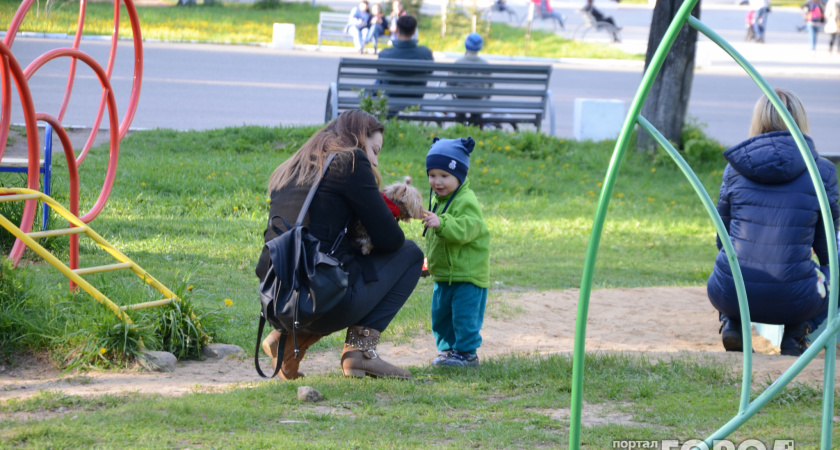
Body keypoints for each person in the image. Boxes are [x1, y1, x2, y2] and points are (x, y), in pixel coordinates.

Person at [256, 110, 424, 379]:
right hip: (321, 298)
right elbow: (390, 239)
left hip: (277, 300)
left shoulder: (291, 167)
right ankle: (360, 353)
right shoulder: (351, 161)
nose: (376, 161)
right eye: (374, 150)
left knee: (336, 264)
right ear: (359, 139)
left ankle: (285, 340)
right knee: (411, 254)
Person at [707, 88, 840, 357]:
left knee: (732, 259)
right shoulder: (822, 171)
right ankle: (797, 331)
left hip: (731, 293)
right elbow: (827, 248)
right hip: (795, 299)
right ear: (800, 121)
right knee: (834, 270)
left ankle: (732, 321)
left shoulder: (735, 168)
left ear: (757, 120)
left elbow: (723, 239)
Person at [422, 137, 490, 367]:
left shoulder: (466, 201)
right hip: (444, 274)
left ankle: (467, 353)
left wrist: (442, 224)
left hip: (467, 274)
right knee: (441, 316)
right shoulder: (440, 200)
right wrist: (428, 261)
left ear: (459, 176)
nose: (437, 182)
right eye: (432, 175)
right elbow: (435, 239)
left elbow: (467, 229)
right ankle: (447, 351)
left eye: (444, 176)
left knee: (464, 316)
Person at [377, 15, 434, 98]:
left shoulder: (384, 54)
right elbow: (430, 71)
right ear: (414, 31)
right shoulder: (426, 53)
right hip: (415, 101)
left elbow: (380, 72)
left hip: (391, 100)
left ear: (396, 30)